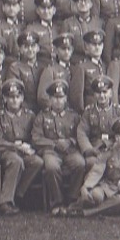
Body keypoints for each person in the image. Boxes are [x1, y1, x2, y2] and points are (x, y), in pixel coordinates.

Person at [68, 116, 120, 218]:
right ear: (116, 138)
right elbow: (96, 171)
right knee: (95, 195)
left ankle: (86, 213)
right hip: (108, 187)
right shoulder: (108, 153)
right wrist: (86, 187)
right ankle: (75, 207)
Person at [0, 78, 43, 214]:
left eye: (17, 97)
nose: (14, 100)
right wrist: (16, 147)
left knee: (37, 162)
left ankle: (18, 194)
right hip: (6, 153)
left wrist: (29, 148)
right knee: (16, 161)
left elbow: (35, 136)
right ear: (5, 98)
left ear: (22, 98)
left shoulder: (29, 116)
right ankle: (5, 202)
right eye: (11, 97)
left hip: (26, 152)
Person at [33, 80, 82, 213]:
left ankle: (72, 198)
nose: (58, 101)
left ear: (66, 98)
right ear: (49, 99)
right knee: (51, 167)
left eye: (61, 98)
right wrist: (54, 144)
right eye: (55, 98)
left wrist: (69, 142)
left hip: (69, 150)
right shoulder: (42, 116)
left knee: (80, 163)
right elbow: (36, 138)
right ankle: (57, 202)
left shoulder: (74, 116)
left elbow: (80, 135)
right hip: (51, 151)